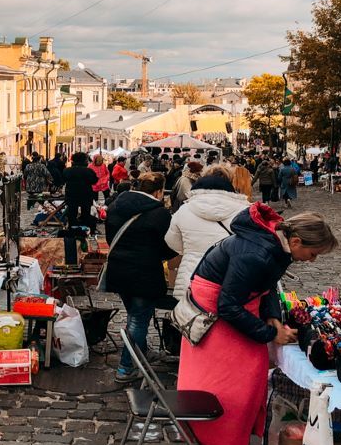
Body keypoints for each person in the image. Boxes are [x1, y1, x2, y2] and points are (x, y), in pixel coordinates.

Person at [178, 208, 338, 445]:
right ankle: (219, 440)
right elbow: (228, 306)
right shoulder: (256, 254)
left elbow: (268, 284)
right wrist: (271, 333)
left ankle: (237, 436)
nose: (312, 260)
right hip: (215, 318)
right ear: (295, 241)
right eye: (313, 253)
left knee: (252, 371)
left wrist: (272, 316)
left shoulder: (274, 245)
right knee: (235, 382)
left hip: (228, 309)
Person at [105, 173, 177, 383]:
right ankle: (125, 368)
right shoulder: (160, 213)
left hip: (118, 270)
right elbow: (168, 247)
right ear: (158, 191)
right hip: (144, 273)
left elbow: (110, 238)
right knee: (137, 319)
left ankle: (141, 352)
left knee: (135, 315)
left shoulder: (116, 205)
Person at [165, 166, 250, 301]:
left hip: (192, 278)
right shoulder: (245, 211)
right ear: (230, 182)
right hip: (230, 278)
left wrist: (191, 249)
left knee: (191, 318)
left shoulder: (185, 210)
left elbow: (172, 243)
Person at [63, 152, 98, 234]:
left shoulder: (67, 171)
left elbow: (63, 179)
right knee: (85, 214)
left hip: (71, 195)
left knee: (72, 214)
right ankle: (85, 230)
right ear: (84, 161)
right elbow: (94, 181)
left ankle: (72, 229)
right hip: (85, 195)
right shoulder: (88, 171)